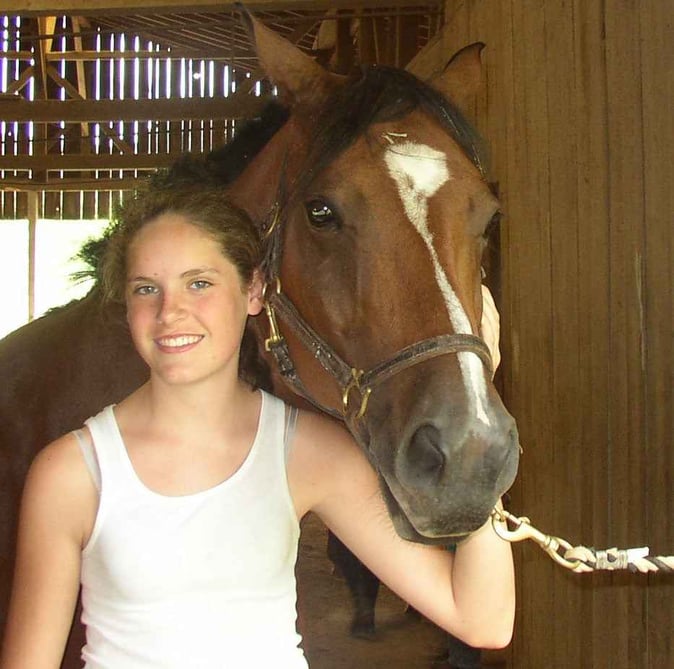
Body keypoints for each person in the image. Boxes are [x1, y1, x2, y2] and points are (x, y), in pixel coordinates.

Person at [0, 183, 514, 669]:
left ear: (254, 291)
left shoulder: (306, 453)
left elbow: (481, 620)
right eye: (145, 289)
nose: (169, 312)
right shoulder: (73, 472)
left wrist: (479, 411)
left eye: (199, 283)